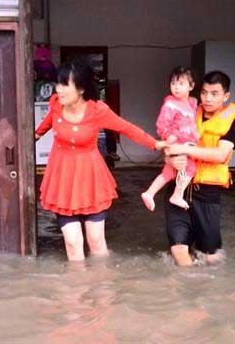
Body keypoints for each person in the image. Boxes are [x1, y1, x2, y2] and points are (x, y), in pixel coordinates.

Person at [35, 60, 166, 261]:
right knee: (72, 242)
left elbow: (126, 128)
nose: (58, 89)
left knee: (95, 241)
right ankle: (76, 289)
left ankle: (103, 287)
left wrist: (155, 144)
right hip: (62, 179)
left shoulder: (97, 110)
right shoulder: (55, 105)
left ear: (81, 88)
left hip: (90, 179)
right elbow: (44, 127)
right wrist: (31, 137)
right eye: (57, 84)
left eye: (64, 84)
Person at [164, 71, 235, 266]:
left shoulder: (232, 119)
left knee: (211, 257)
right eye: (204, 92)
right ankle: (185, 290)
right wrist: (170, 160)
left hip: (207, 194)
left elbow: (221, 154)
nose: (208, 98)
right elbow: (168, 147)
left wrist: (184, 149)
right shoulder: (186, 112)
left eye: (214, 93)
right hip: (178, 189)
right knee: (179, 250)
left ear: (226, 96)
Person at [141, 66, 199, 211]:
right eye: (173, 83)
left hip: (186, 142)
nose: (176, 87)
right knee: (190, 168)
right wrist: (168, 136)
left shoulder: (191, 104)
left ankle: (149, 193)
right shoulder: (170, 104)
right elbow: (161, 124)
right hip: (178, 142)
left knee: (168, 172)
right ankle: (177, 195)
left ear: (191, 86)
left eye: (181, 84)